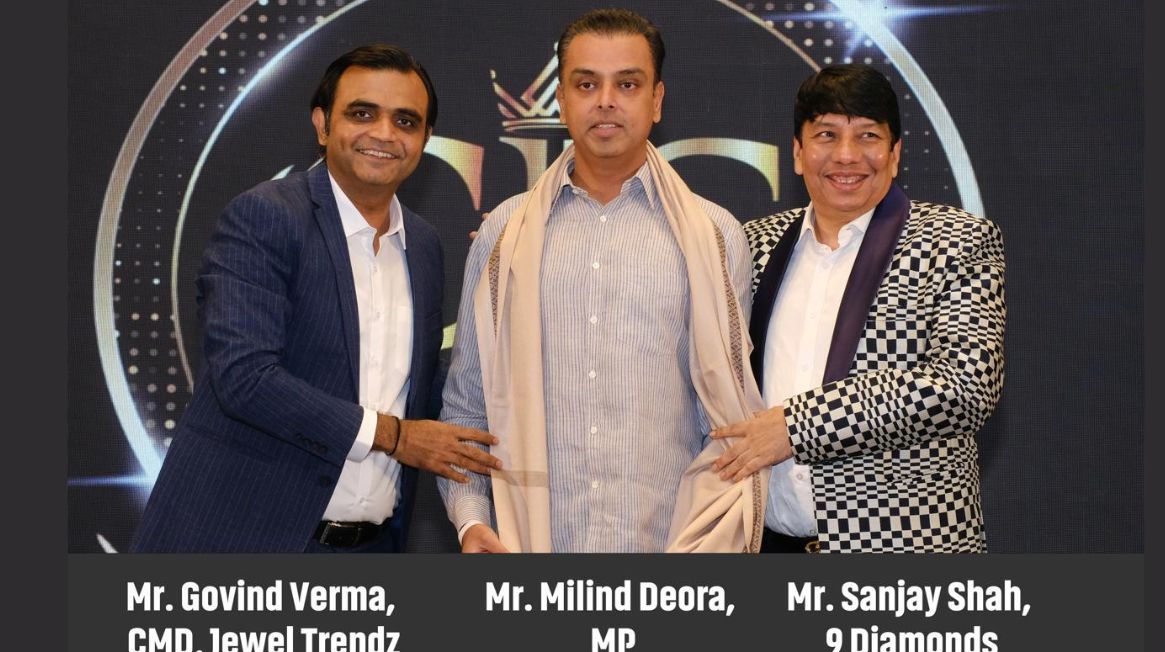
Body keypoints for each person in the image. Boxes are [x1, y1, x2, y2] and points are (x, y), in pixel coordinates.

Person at [131, 44, 500, 553]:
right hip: (243, 543)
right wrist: (395, 436)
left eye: (405, 120)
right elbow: (244, 378)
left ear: (425, 139)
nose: (384, 134)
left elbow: (418, 386)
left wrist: (513, 299)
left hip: (370, 549)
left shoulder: (424, 246)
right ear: (322, 125)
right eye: (362, 114)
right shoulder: (265, 217)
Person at [439, 8, 765, 553]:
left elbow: (728, 423)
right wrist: (472, 523)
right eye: (586, 84)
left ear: (656, 100)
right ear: (562, 100)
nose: (606, 101)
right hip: (527, 549)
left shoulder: (715, 234)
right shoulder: (504, 232)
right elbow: (468, 408)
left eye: (627, 84)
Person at [711, 64, 1006, 553]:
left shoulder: (956, 241)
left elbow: (966, 386)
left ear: (895, 154)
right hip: (764, 545)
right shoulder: (753, 244)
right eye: (826, 135)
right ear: (798, 153)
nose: (846, 155)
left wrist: (796, 427)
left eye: (868, 135)